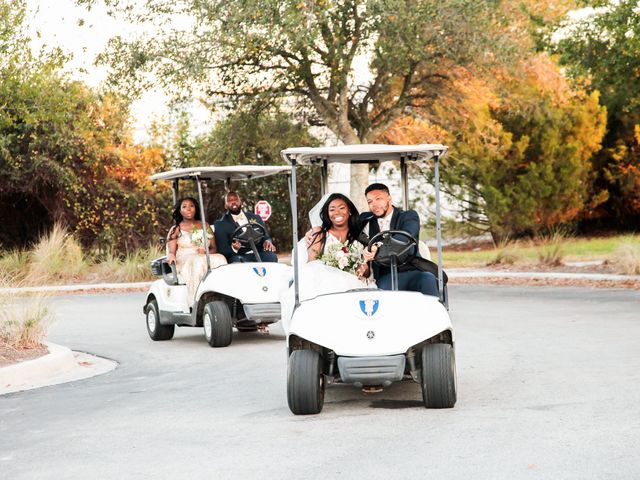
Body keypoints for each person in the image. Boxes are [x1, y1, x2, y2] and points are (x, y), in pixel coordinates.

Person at [360, 183, 439, 296]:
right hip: (385, 274)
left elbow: (405, 236)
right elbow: (354, 231)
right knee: (385, 290)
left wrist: (377, 247)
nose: (374, 204)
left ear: (389, 199)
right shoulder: (365, 220)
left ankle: (434, 312)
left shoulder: (408, 216)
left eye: (379, 199)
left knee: (428, 279)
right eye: (370, 201)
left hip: (412, 270)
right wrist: (368, 246)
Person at [166, 197, 227, 302]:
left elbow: (213, 248)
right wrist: (171, 255)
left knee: (221, 258)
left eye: (191, 206)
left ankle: (222, 296)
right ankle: (196, 300)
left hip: (203, 256)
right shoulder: (176, 228)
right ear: (180, 211)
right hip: (185, 259)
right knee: (197, 261)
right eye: (184, 207)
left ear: (195, 209)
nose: (188, 209)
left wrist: (205, 252)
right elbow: (171, 251)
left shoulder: (205, 225)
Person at [307, 193, 370, 281]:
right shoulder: (320, 233)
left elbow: (367, 273)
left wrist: (364, 269)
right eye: (332, 209)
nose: (337, 212)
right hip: (325, 282)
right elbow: (311, 265)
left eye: (341, 208)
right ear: (327, 213)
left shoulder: (360, 234)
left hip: (355, 282)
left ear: (350, 210)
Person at [214, 191, 278, 263]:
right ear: (225, 205)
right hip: (238, 256)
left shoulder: (256, 217)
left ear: (240, 201)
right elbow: (222, 250)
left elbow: (266, 236)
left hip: (259, 253)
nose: (233, 202)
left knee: (271, 257)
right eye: (229, 201)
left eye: (236, 199)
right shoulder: (220, 224)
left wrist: (267, 241)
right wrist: (234, 248)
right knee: (238, 262)